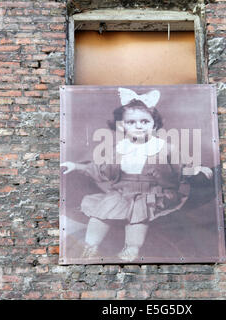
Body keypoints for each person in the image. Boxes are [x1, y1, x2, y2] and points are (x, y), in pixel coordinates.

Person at [61, 88, 213, 262]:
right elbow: (101, 170)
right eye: (132, 122)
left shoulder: (164, 148)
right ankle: (90, 245)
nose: (138, 126)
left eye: (144, 121)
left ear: (154, 125)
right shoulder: (119, 149)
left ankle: (132, 248)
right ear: (122, 126)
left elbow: (179, 168)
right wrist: (76, 165)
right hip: (123, 192)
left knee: (138, 217)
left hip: (152, 193)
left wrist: (196, 170)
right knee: (101, 212)